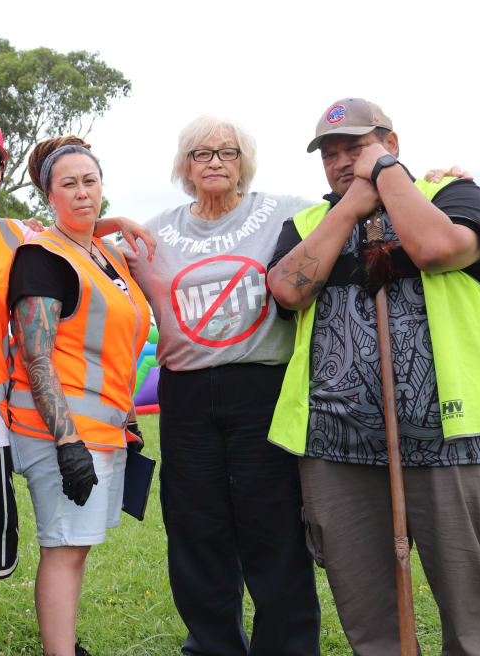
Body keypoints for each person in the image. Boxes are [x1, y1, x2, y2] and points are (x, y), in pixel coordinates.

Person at [268, 97, 480, 655]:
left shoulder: (450, 196)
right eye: (330, 154)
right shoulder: (307, 223)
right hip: (336, 448)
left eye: (357, 147)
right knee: (369, 618)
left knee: (479, 615)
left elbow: (435, 248)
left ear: (391, 143)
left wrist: (388, 178)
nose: (342, 160)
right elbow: (286, 290)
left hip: (453, 441)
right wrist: (350, 206)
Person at [0, 119, 154, 655]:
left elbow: (67, 236)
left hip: (18, 423)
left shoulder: (19, 235)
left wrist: (113, 222)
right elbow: (37, 349)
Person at [124, 116, 322, 655]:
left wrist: (436, 179)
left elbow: (347, 206)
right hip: (185, 396)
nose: (214, 161)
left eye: (226, 152)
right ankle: (212, 646)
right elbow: (83, 250)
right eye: (200, 153)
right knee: (195, 529)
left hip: (262, 389)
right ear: (184, 167)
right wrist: (110, 218)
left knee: (274, 528)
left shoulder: (284, 211)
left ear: (243, 162)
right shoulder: (152, 231)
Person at [6, 136, 151, 656]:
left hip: (101, 426)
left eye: (90, 181)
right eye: (68, 184)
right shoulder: (42, 257)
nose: (82, 192)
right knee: (63, 547)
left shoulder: (104, 255)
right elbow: (36, 355)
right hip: (58, 429)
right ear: (49, 194)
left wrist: (126, 419)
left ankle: (63, 645)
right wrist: (67, 442)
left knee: (77, 545)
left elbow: (112, 347)